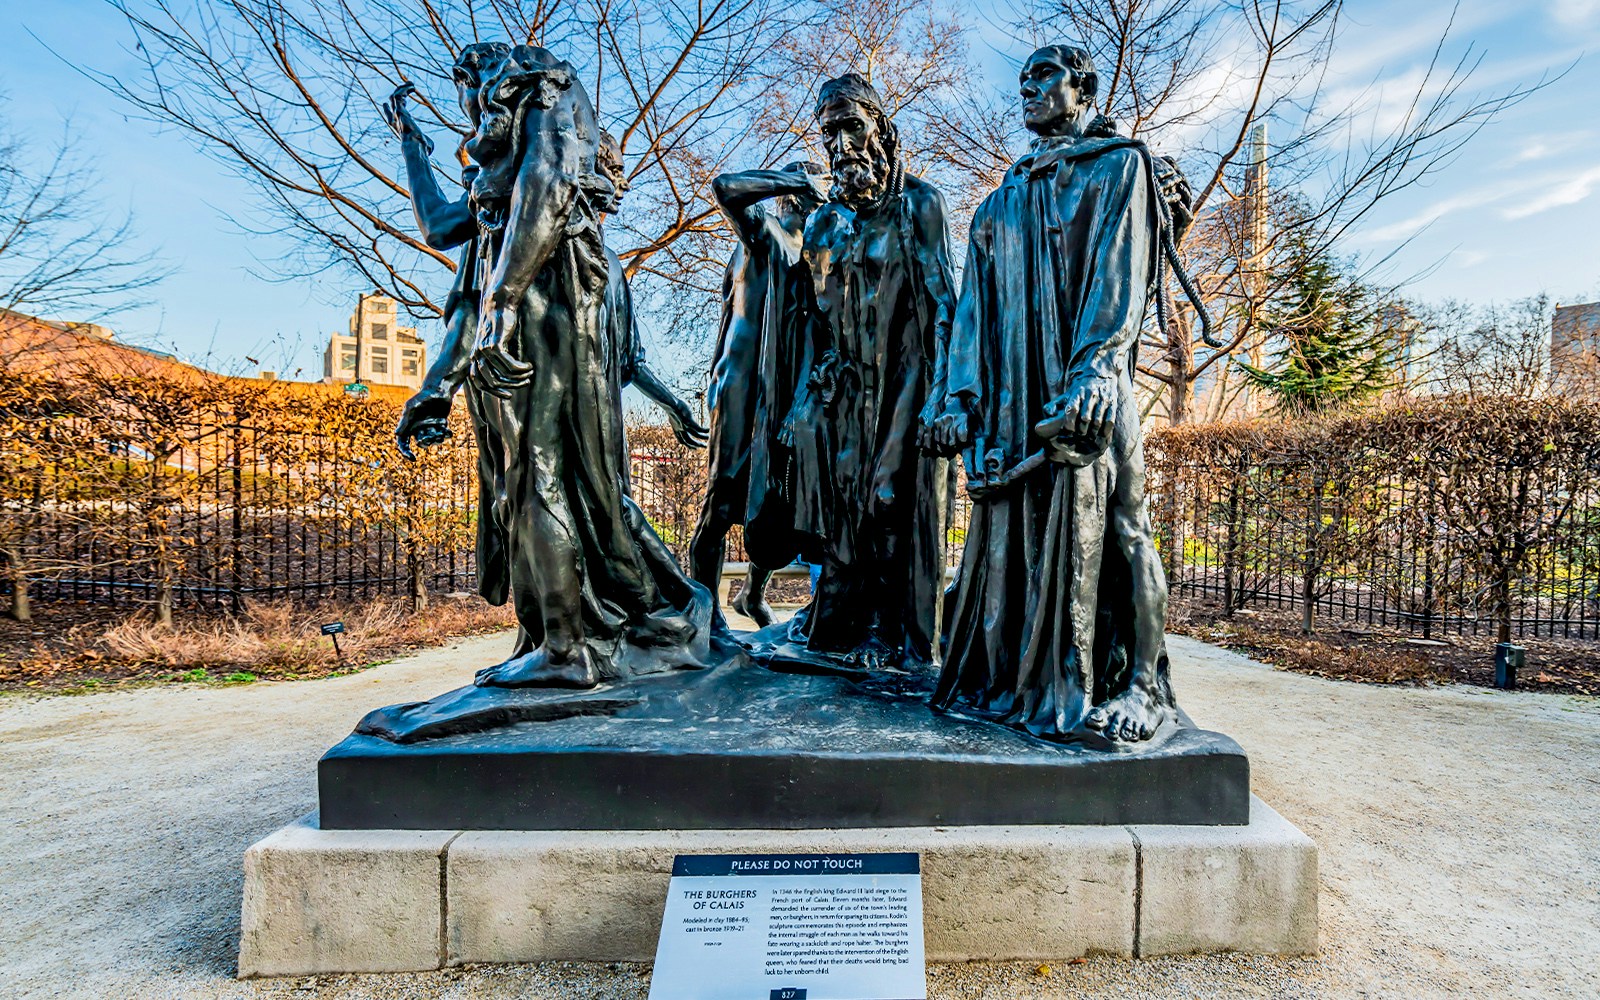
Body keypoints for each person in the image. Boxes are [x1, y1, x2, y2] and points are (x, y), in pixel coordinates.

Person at [392, 44, 712, 689]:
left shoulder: (541, 91)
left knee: (541, 477)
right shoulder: (502, 209)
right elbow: (446, 233)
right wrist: (413, 148)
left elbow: (546, 184)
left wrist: (502, 306)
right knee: (545, 482)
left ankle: (570, 648)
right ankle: (564, 632)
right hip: (520, 315)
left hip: (542, 309)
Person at [920, 44, 1181, 741]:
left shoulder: (1122, 166)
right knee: (1014, 539)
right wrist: (956, 401)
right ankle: (1017, 677)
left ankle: (1144, 686)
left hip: (1091, 381)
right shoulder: (997, 207)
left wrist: (1098, 367)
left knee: (1125, 527)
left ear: (1083, 87)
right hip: (1012, 403)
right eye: (1022, 80)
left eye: (1044, 77)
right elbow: (971, 315)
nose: (1028, 89)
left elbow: (1118, 274)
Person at [782, 74, 956, 671]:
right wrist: (805, 399)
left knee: (888, 500)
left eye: (851, 127)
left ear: (880, 126)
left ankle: (891, 633)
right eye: (829, 133)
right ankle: (839, 618)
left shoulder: (918, 204)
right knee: (840, 517)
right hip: (840, 397)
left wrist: (943, 400)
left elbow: (943, 307)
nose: (841, 146)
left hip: (906, 384)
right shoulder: (825, 224)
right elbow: (812, 318)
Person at [687, 161, 827, 627]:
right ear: (798, 195)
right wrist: (792, 178)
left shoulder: (811, 257)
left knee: (775, 497)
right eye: (816, 189)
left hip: (781, 392)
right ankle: (706, 615)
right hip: (742, 391)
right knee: (722, 497)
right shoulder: (764, 231)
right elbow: (724, 187)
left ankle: (751, 593)